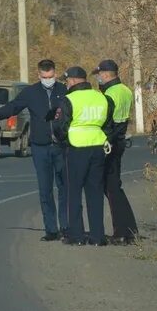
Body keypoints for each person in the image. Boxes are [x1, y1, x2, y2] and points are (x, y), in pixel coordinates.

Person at [0, 59, 67, 241]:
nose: (48, 80)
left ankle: (66, 226)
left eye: (51, 76)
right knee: (45, 189)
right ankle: (51, 229)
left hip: (61, 146)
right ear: (39, 75)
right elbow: (14, 106)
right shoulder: (31, 92)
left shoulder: (63, 90)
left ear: (55, 73)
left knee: (64, 187)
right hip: (40, 147)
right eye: (45, 77)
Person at [52, 66, 114, 246]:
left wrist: (63, 140)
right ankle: (97, 236)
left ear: (71, 80)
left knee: (73, 192)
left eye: (66, 81)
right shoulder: (102, 97)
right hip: (98, 147)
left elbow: (60, 127)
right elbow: (109, 124)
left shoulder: (68, 99)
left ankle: (76, 236)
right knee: (95, 192)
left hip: (76, 148)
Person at [94, 59, 138, 244]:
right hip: (119, 140)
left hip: (110, 142)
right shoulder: (126, 90)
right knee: (114, 187)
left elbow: (108, 122)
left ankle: (121, 232)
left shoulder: (109, 94)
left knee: (111, 188)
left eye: (98, 74)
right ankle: (129, 228)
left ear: (105, 74)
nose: (98, 78)